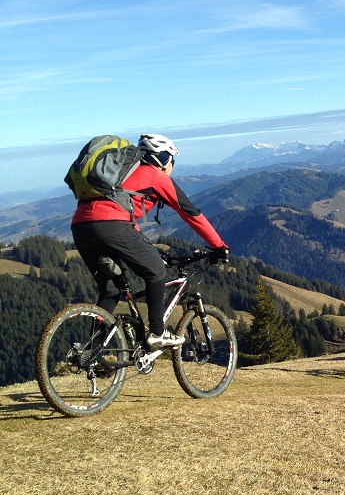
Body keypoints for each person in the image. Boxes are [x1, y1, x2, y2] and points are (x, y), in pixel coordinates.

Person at [71, 134, 230, 350]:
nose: (172, 166)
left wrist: (148, 248)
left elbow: (125, 218)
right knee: (156, 272)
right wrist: (219, 246)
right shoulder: (155, 175)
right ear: (165, 159)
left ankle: (93, 351)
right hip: (112, 226)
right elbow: (191, 213)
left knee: (110, 290)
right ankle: (157, 333)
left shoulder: (120, 175)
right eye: (172, 161)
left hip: (80, 226)